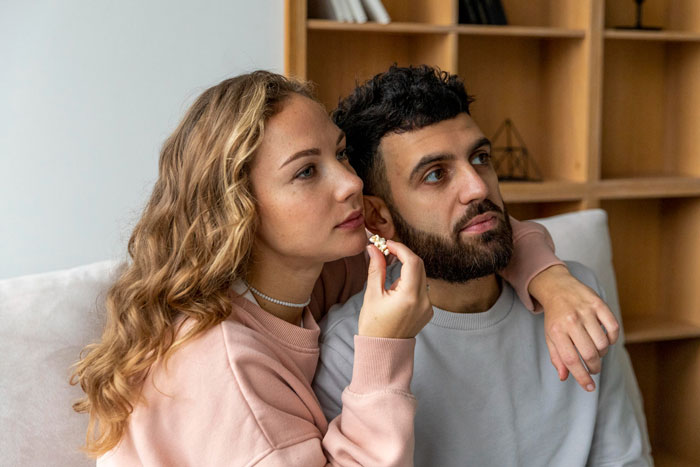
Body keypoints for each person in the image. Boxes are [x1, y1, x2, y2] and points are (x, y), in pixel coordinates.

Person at [71, 70, 618, 466]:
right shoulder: (226, 368)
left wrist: (551, 277)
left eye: (340, 155)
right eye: (307, 172)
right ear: (241, 210)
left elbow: (477, 231)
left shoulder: (324, 269)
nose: (350, 183)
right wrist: (382, 350)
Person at [313, 65, 652, 466]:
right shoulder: (347, 352)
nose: (478, 187)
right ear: (378, 216)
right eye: (436, 175)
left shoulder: (574, 296)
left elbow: (623, 460)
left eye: (480, 157)